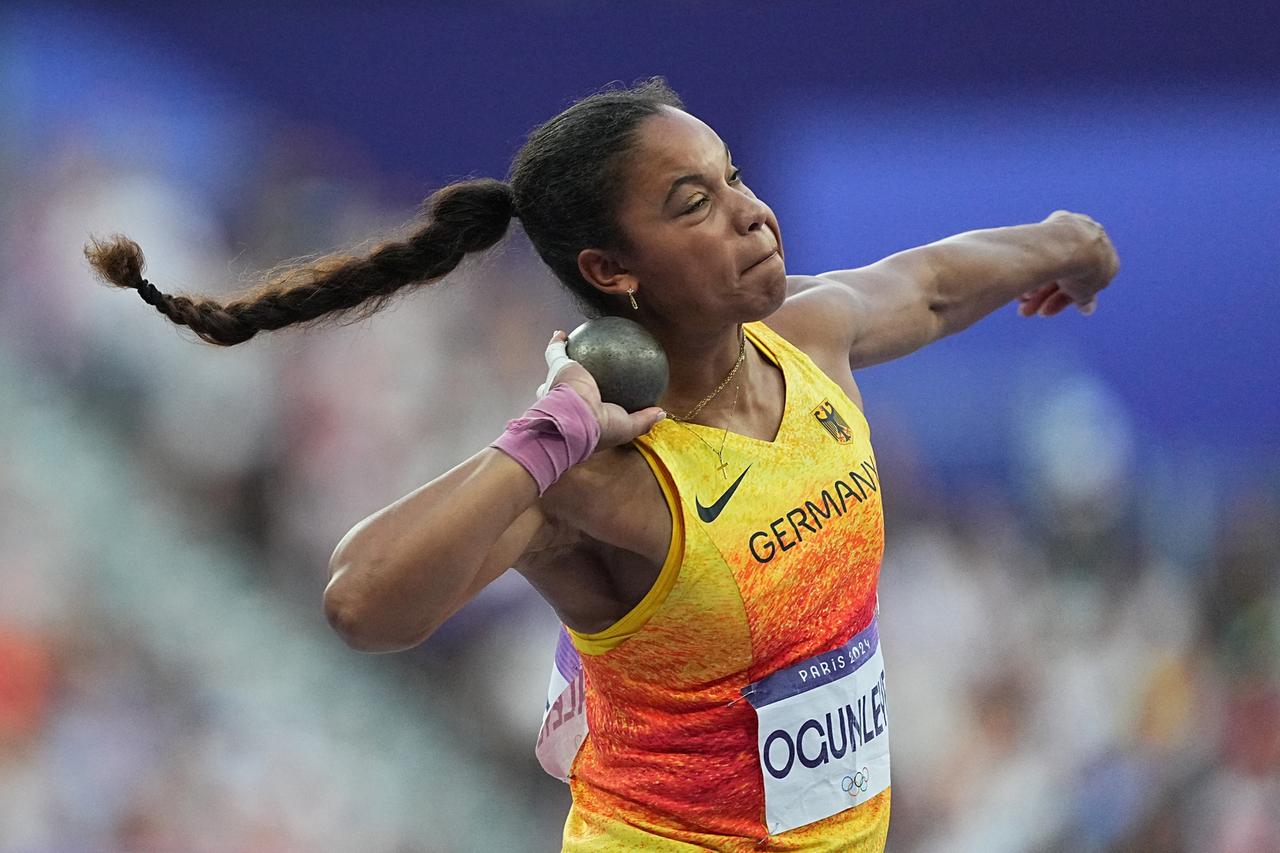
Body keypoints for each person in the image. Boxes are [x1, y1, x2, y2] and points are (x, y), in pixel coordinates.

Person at [84, 77, 1119, 851]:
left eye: (732, 179)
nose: (748, 213)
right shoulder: (598, 475)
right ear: (609, 271)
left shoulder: (807, 334)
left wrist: (1062, 240)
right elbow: (360, 603)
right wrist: (538, 442)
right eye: (691, 205)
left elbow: (930, 286)